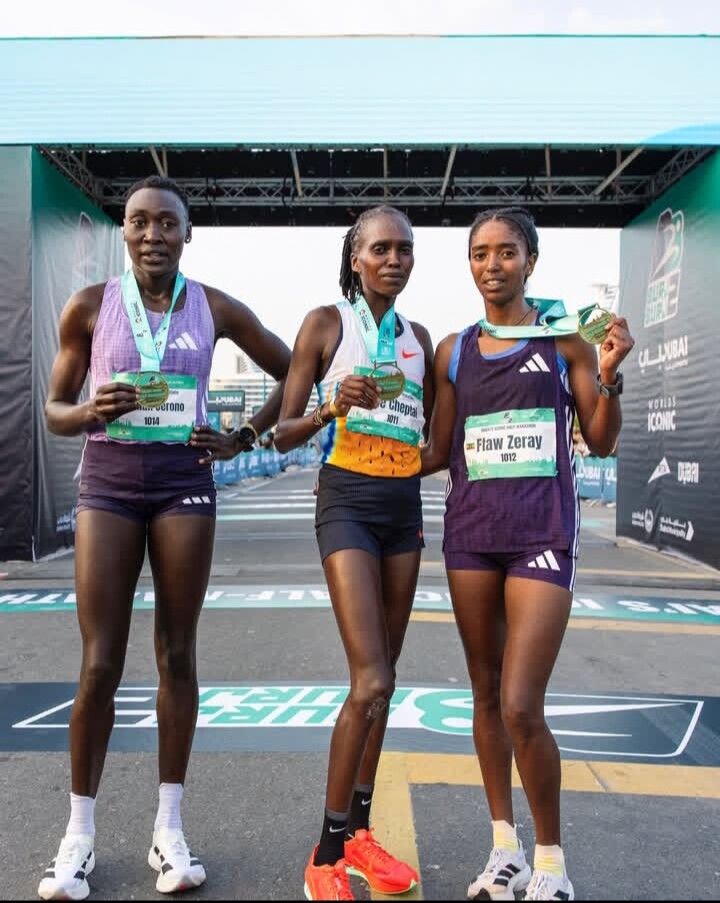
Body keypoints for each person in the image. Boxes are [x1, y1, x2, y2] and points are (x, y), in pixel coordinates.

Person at [38, 175, 291, 901]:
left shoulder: (215, 307)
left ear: (187, 233)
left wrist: (244, 436)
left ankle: (169, 828)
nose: (153, 234)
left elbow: (292, 369)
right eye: (139, 222)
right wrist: (91, 409)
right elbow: (54, 409)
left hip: (184, 482)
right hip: (109, 484)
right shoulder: (90, 306)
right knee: (99, 663)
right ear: (124, 231)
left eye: (167, 223)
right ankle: (78, 836)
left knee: (177, 654)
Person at [420, 206, 634, 902]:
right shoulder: (453, 350)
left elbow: (601, 440)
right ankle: (503, 849)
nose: (493, 264)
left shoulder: (568, 337)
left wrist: (609, 374)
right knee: (484, 695)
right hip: (470, 537)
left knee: (519, 703)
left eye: (506, 252)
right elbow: (436, 449)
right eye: (480, 253)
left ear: (531, 261)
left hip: (542, 535)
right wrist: (356, 457)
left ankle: (551, 860)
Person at [274, 205, 435, 901]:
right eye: (381, 249)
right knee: (368, 679)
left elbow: (434, 442)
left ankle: (362, 833)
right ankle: (328, 849)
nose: (394, 259)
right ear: (355, 258)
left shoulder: (420, 339)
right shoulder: (325, 324)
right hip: (345, 501)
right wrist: (330, 407)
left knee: (387, 682)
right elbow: (283, 431)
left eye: (405, 249)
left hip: (403, 507)